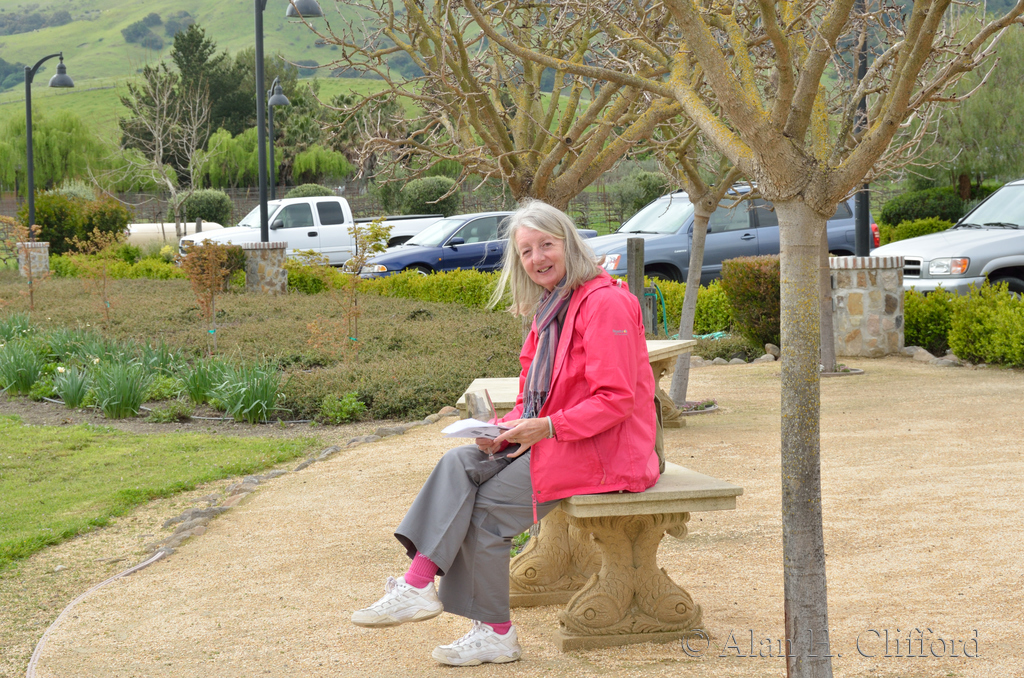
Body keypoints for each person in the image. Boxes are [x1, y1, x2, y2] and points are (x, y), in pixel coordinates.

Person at [350, 200, 660, 666]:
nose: (536, 258)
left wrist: (547, 426)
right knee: (459, 460)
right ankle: (418, 584)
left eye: (546, 245)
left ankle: (495, 633)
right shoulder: (550, 309)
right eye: (526, 251)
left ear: (570, 244)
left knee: (487, 510)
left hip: (606, 450)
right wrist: (504, 429)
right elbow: (533, 399)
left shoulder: (606, 303)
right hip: (559, 437)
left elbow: (616, 400)